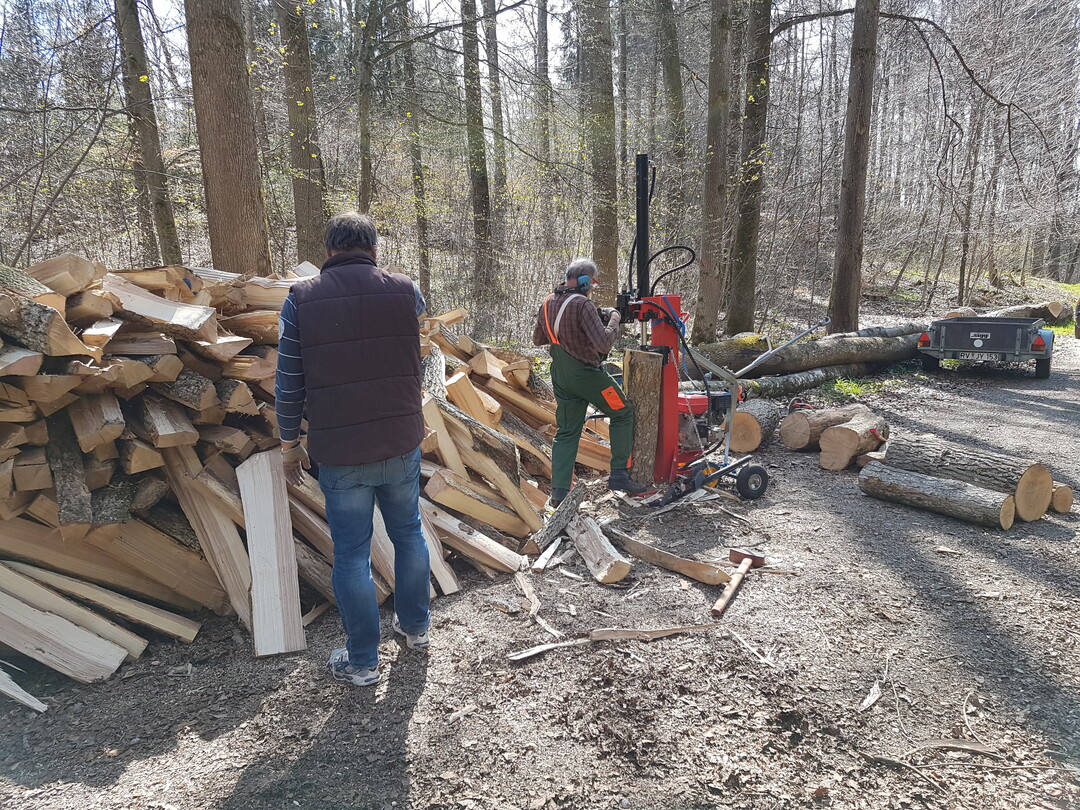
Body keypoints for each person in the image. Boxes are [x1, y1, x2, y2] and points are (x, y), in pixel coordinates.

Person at [275, 212, 430, 688]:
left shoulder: (301, 299)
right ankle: (417, 628)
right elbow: (417, 356)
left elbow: (288, 382)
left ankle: (363, 661)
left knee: (351, 555)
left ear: (327, 252)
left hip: (341, 450)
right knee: (408, 535)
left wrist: (288, 442)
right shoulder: (408, 290)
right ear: (374, 249)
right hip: (401, 438)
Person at [532, 258, 650, 507]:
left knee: (567, 432)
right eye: (593, 283)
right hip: (586, 375)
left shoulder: (547, 302)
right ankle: (619, 474)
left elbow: (538, 339)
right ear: (585, 281)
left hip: (560, 375)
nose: (593, 288)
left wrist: (568, 332)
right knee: (622, 412)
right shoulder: (583, 304)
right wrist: (614, 318)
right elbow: (604, 343)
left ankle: (559, 494)